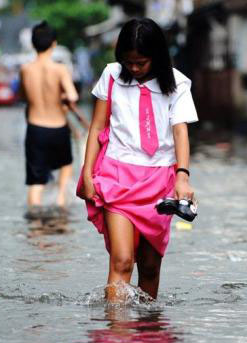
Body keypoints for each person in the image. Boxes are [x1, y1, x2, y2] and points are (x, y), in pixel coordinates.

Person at [80, 18, 198, 302]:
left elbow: (180, 132)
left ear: (156, 57)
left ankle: (147, 329)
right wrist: (86, 173)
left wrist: (182, 176)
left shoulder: (178, 84)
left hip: (159, 181)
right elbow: (97, 126)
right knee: (121, 260)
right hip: (116, 176)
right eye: (128, 62)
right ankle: (116, 329)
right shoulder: (111, 76)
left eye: (141, 62)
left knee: (149, 266)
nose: (133, 68)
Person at [20, 21, 82, 207]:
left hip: (35, 128)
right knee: (65, 166)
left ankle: (34, 221)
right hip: (58, 128)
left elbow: (23, 96)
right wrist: (61, 95)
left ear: (32, 44)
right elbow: (73, 95)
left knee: (36, 181)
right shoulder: (60, 69)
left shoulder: (25, 69)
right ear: (54, 43)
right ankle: (61, 202)